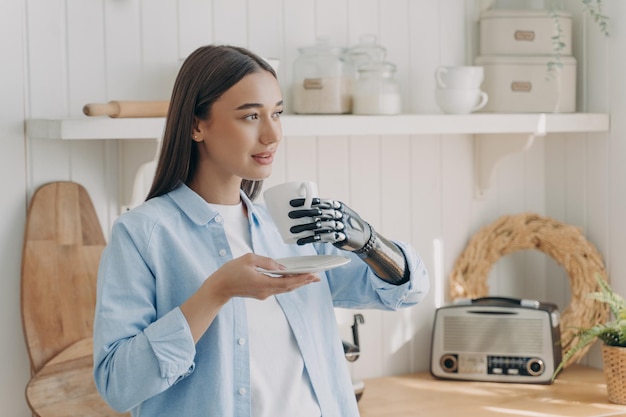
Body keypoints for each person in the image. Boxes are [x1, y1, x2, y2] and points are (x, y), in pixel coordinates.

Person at [93, 44, 429, 417]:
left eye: (277, 114)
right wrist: (216, 292)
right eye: (251, 116)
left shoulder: (289, 229)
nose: (272, 135)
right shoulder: (143, 235)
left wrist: (369, 242)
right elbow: (117, 386)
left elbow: (404, 292)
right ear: (196, 125)